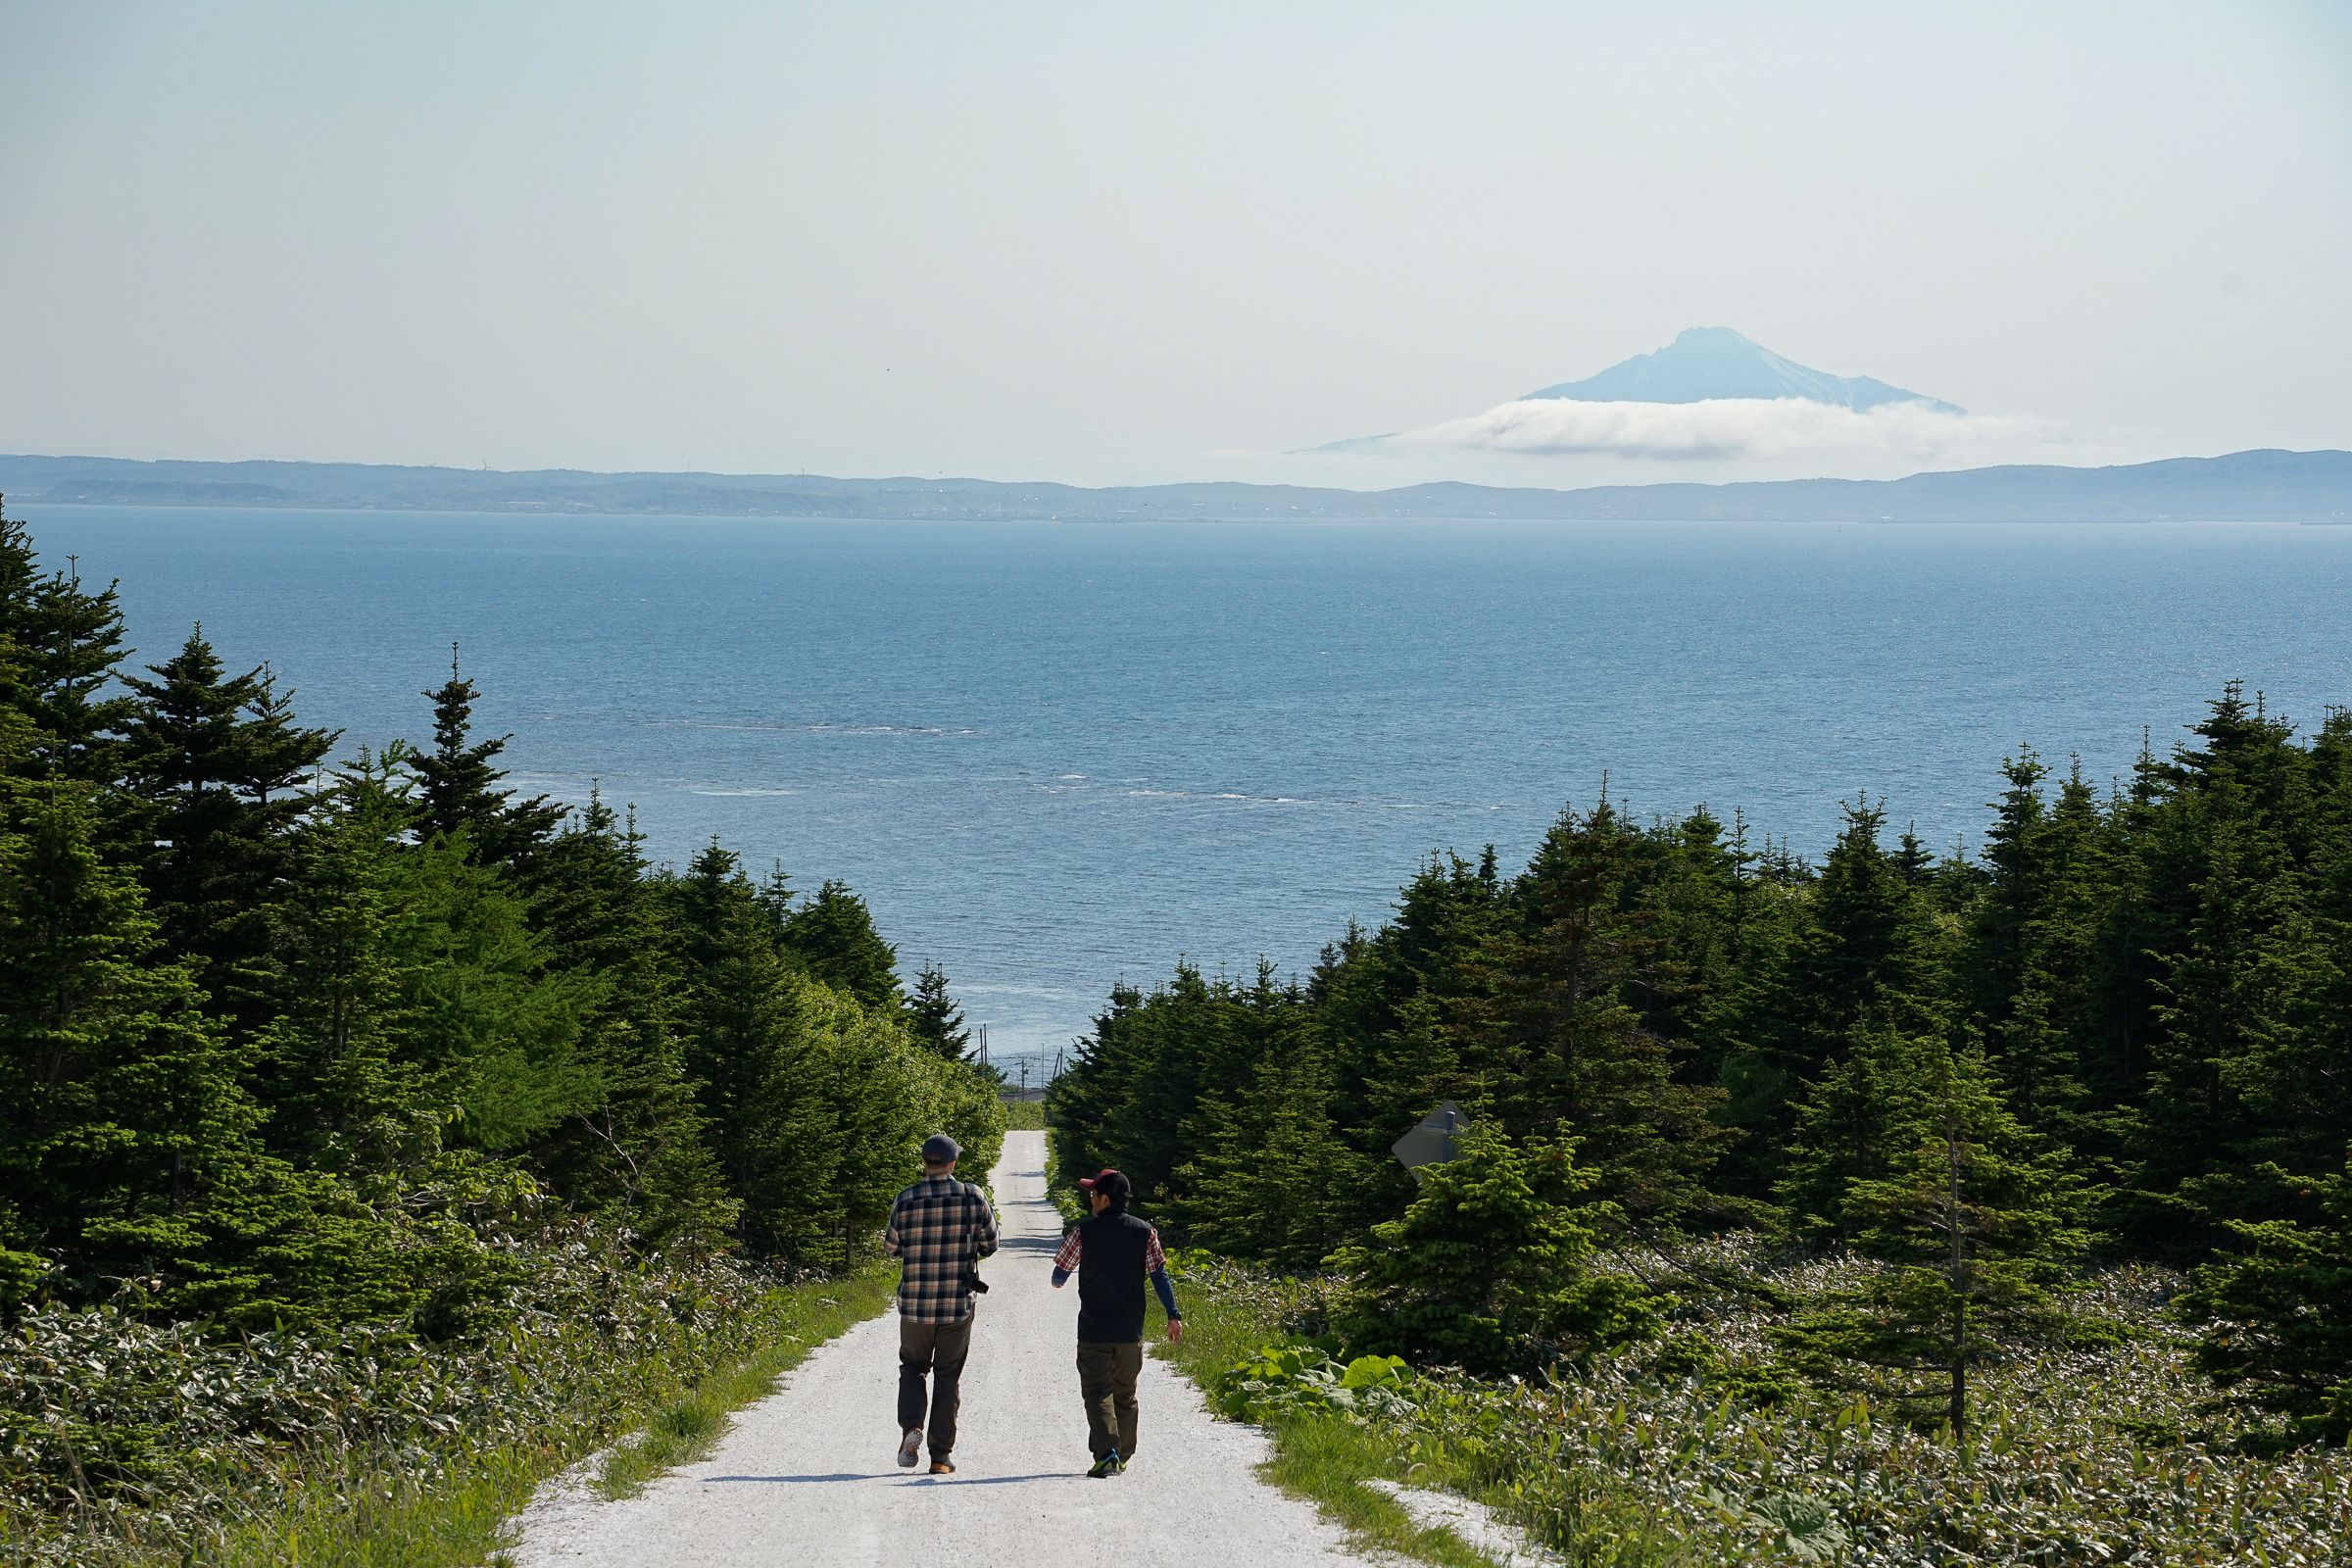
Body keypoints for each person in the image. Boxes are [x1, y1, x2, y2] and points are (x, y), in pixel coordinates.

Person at [1051, 1167, 1183, 1478]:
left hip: (1094, 1330)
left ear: (1105, 1199)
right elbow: (1159, 1276)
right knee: (1125, 1394)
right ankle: (1122, 1454)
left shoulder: (1084, 1231)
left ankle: (1107, 1452)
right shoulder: (1145, 1232)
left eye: (1093, 1194)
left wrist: (1058, 1281)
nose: (1091, 1200)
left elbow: (1060, 1274)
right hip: (1129, 1331)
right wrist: (1173, 1314)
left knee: (1097, 1392)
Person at [882, 1132, 999, 1475]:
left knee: (913, 1368)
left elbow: (890, 1249)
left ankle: (911, 1428)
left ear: (924, 1163)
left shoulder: (905, 1199)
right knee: (948, 1377)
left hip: (915, 1305)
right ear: (952, 1162)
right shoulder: (972, 1196)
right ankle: (940, 1457)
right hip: (957, 1303)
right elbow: (990, 1244)